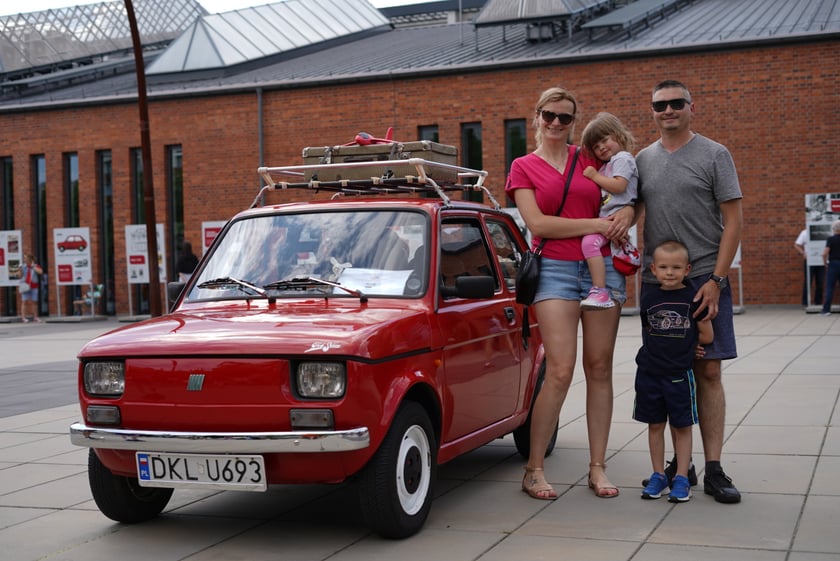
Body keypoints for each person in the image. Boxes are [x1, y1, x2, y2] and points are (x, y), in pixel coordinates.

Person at [618, 79, 744, 504]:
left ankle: (713, 468)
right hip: (658, 283)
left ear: (692, 106)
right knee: (665, 370)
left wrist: (716, 280)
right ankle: (677, 466)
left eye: (675, 103)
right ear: (652, 111)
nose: (667, 110)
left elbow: (735, 221)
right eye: (659, 105)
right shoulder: (643, 159)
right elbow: (630, 207)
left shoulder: (714, 154)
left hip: (705, 279)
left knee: (708, 369)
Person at [505, 86, 628, 500]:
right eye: (550, 115)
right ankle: (534, 469)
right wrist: (595, 225)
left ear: (575, 122)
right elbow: (538, 225)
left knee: (600, 367)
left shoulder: (590, 158)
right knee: (559, 369)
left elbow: (628, 190)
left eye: (566, 118)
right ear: (536, 116)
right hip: (554, 270)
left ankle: (598, 468)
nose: (557, 123)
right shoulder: (523, 166)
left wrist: (629, 211)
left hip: (602, 268)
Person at [635, 240, 713, 503]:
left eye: (676, 267)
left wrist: (694, 348)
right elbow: (648, 330)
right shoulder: (648, 296)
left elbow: (707, 334)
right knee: (654, 424)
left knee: (681, 426)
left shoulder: (693, 297)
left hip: (679, 374)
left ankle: (681, 477)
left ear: (687, 269)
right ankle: (659, 475)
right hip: (649, 372)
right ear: (654, 269)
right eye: (664, 267)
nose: (670, 272)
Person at [579, 112, 638, 310]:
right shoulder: (610, 163)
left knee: (589, 243)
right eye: (596, 146)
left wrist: (594, 176)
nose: (601, 147)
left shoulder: (622, 158)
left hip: (614, 217)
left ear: (619, 135)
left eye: (605, 140)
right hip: (609, 218)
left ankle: (600, 290)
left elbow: (619, 186)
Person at [794, 229, 824, 307]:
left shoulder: (822, 231)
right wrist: (803, 253)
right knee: (808, 282)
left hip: (820, 260)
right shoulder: (805, 232)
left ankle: (818, 302)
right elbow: (796, 245)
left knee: (820, 282)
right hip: (809, 260)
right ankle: (805, 302)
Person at [821, 220, 840, 316]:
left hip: (833, 264)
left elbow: (824, 253)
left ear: (833, 229)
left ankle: (826, 310)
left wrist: (825, 263)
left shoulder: (831, 239)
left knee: (830, 287)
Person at [19, 253, 43, 323]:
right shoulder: (23, 267)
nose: (24, 259)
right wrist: (20, 270)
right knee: (24, 301)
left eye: (25, 258)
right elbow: (19, 276)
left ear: (30, 259)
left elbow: (40, 272)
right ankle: (23, 318)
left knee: (34, 302)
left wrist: (33, 267)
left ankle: (35, 317)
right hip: (25, 286)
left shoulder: (35, 266)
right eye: (24, 258)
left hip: (34, 286)